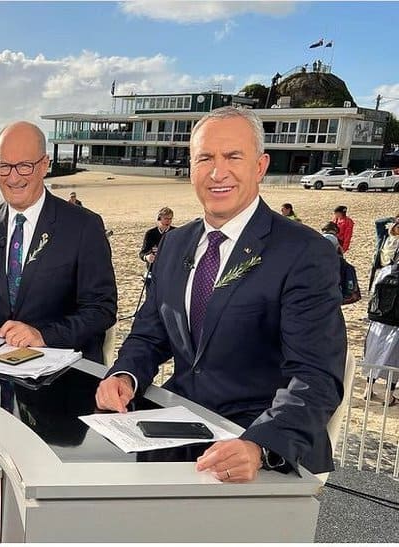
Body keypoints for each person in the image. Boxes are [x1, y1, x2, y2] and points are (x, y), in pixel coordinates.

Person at [95, 106, 345, 481]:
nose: (217, 172)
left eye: (232, 157)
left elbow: (316, 377)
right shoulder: (175, 242)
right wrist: (125, 376)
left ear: (260, 166)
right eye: (205, 158)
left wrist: (260, 445)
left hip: (256, 448)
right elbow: (150, 333)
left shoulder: (305, 252)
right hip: (178, 430)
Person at [0, 121, 117, 364]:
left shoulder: (84, 226)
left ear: (44, 165)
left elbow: (101, 309)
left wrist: (42, 335)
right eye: (5, 166)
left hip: (65, 375)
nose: (13, 177)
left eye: (25, 166)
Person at [362, 219, 399, 405]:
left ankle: (368, 389)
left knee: (374, 351)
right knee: (395, 356)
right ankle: (388, 394)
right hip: (396, 319)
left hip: (380, 315)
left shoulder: (386, 266)